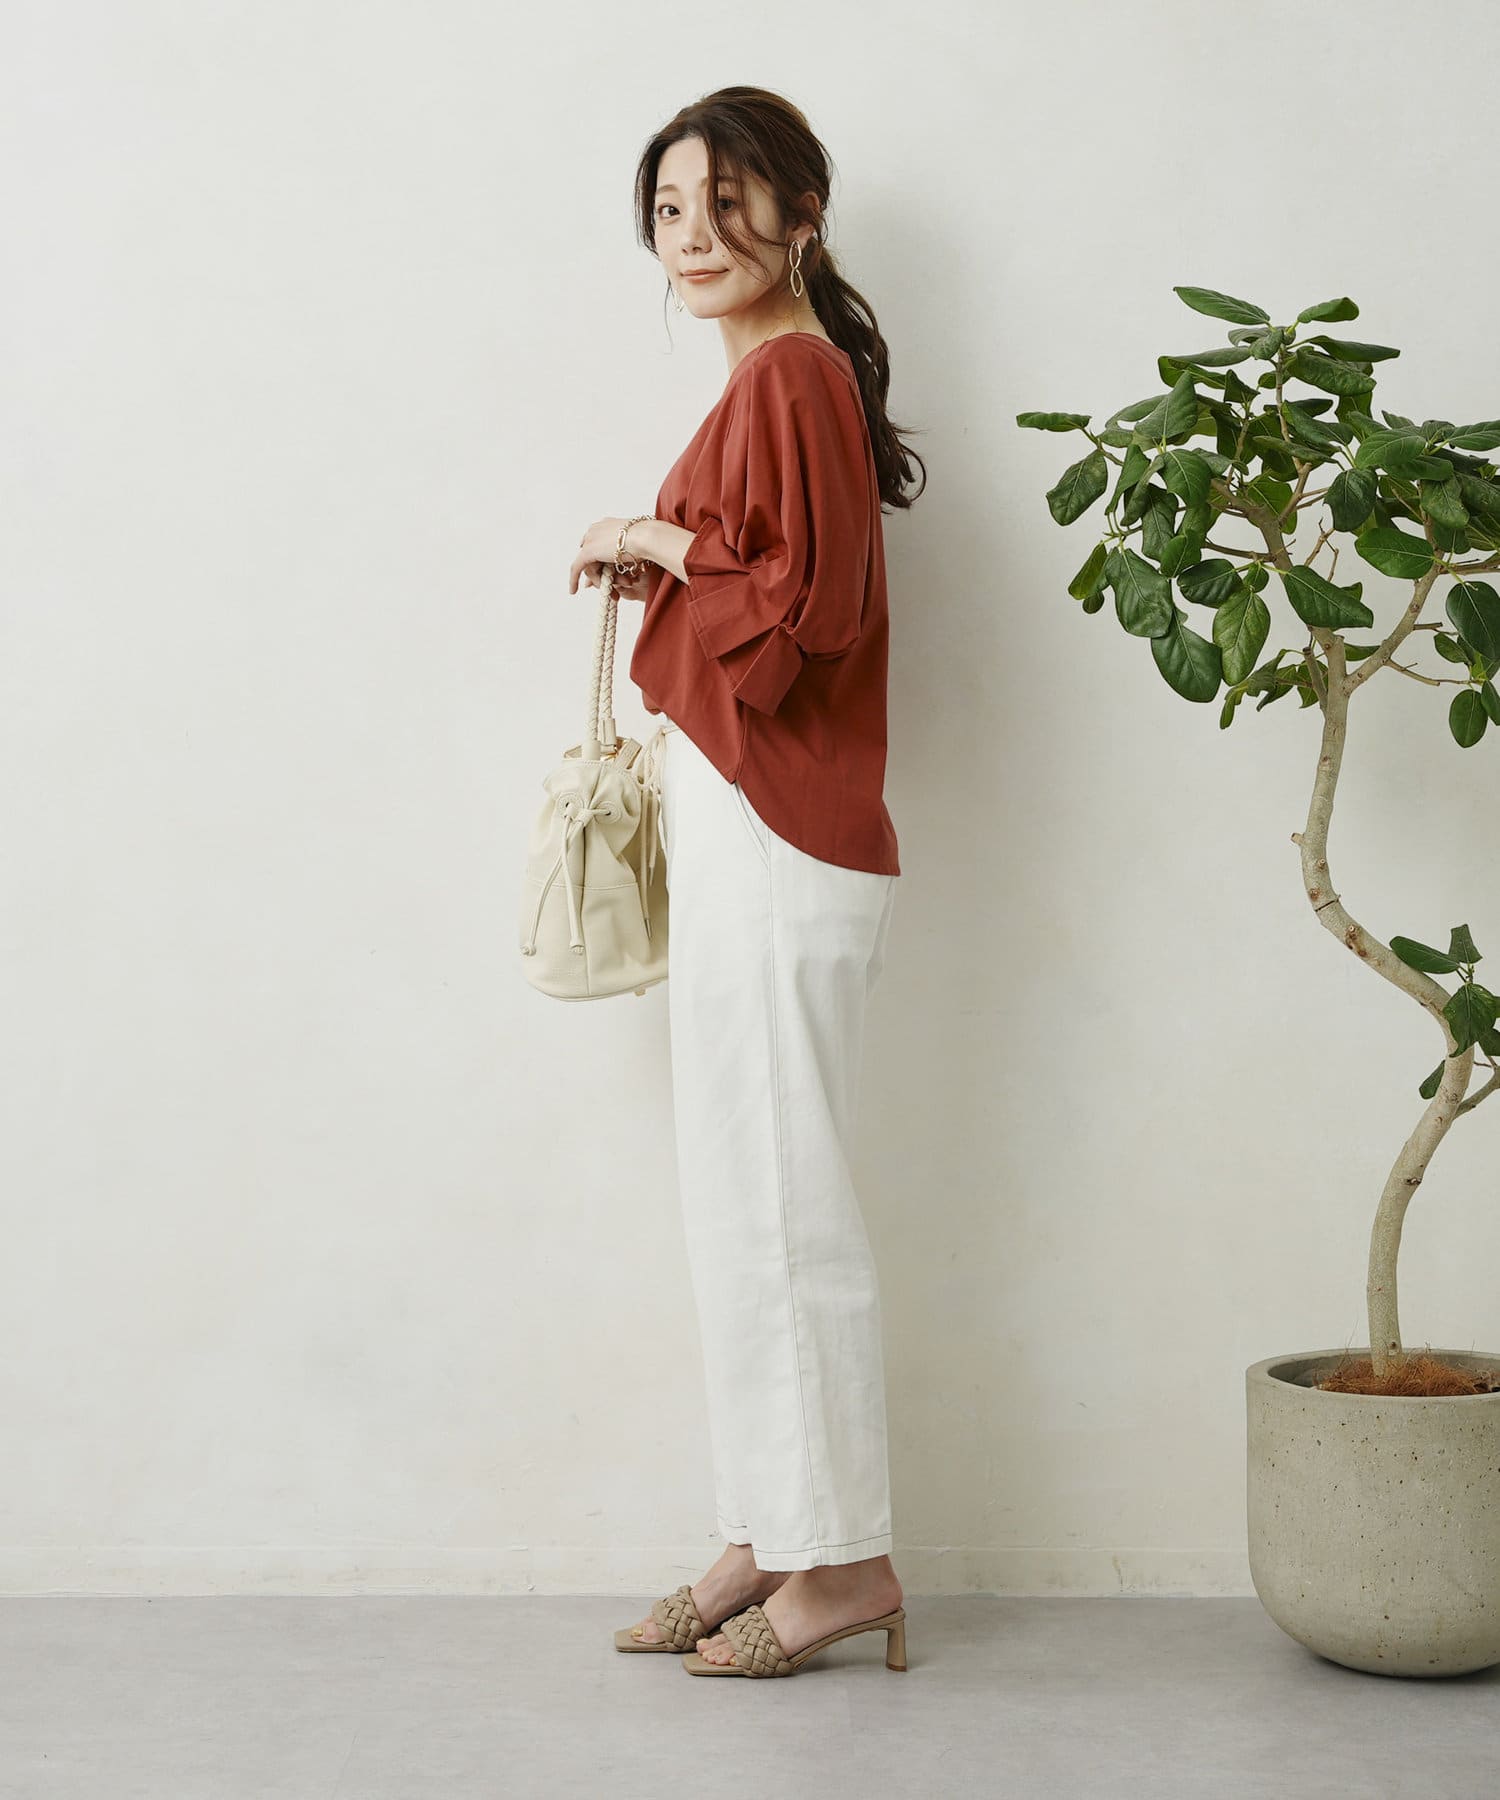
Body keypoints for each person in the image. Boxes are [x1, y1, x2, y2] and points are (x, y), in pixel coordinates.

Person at [567, 86, 927, 1679]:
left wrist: (659, 539)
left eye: (728, 200)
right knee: (742, 1196)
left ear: (802, 212)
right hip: (749, 826)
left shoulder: (794, 374)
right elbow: (781, 588)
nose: (696, 235)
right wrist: (664, 549)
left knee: (784, 1206)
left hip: (785, 831)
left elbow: (810, 617)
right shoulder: (775, 378)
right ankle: (771, 1531)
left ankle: (844, 1563)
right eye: (670, 209)